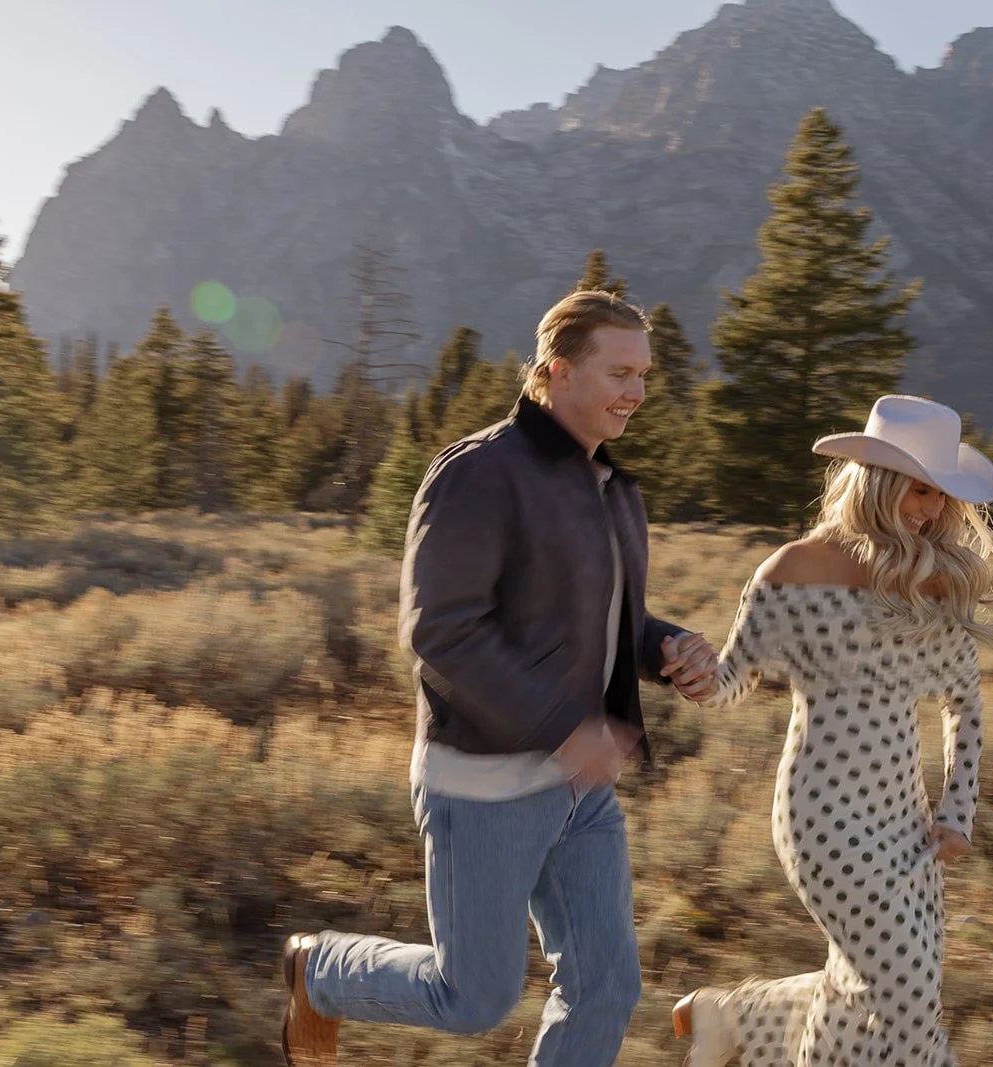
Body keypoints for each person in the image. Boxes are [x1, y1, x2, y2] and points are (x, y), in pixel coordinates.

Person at [279, 290, 720, 1066]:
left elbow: (611, 619)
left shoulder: (614, 490)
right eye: (620, 372)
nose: (637, 393)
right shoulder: (479, 472)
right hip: (486, 785)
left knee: (607, 986)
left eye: (645, 375)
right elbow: (442, 631)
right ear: (557, 372)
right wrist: (566, 727)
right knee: (473, 997)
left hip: (581, 791)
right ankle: (322, 971)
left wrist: (670, 648)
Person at [670, 394, 993, 1067]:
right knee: (905, 985)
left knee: (877, 981)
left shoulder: (932, 584)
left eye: (942, 497)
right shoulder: (790, 571)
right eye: (920, 490)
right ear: (878, 481)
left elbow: (964, 705)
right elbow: (729, 684)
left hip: (904, 818)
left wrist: (958, 810)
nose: (930, 511)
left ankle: (731, 1015)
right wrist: (685, 668)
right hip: (822, 815)